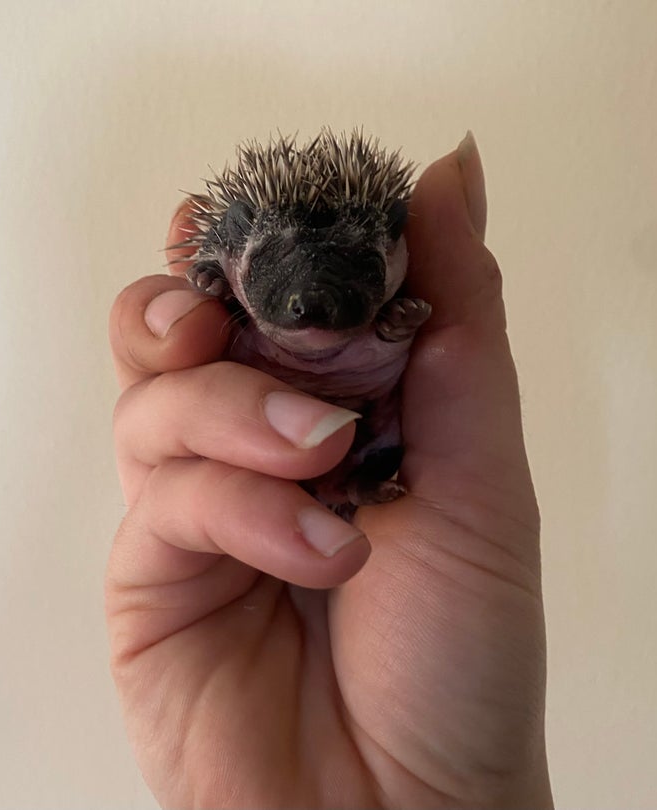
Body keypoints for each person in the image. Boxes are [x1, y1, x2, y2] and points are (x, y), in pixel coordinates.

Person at [104, 133, 553, 809]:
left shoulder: (405, 314)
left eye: (357, 270)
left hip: (365, 450)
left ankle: (351, 481)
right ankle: (346, 482)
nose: (310, 305)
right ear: (228, 259)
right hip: (312, 479)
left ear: (402, 257)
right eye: (273, 270)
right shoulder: (227, 304)